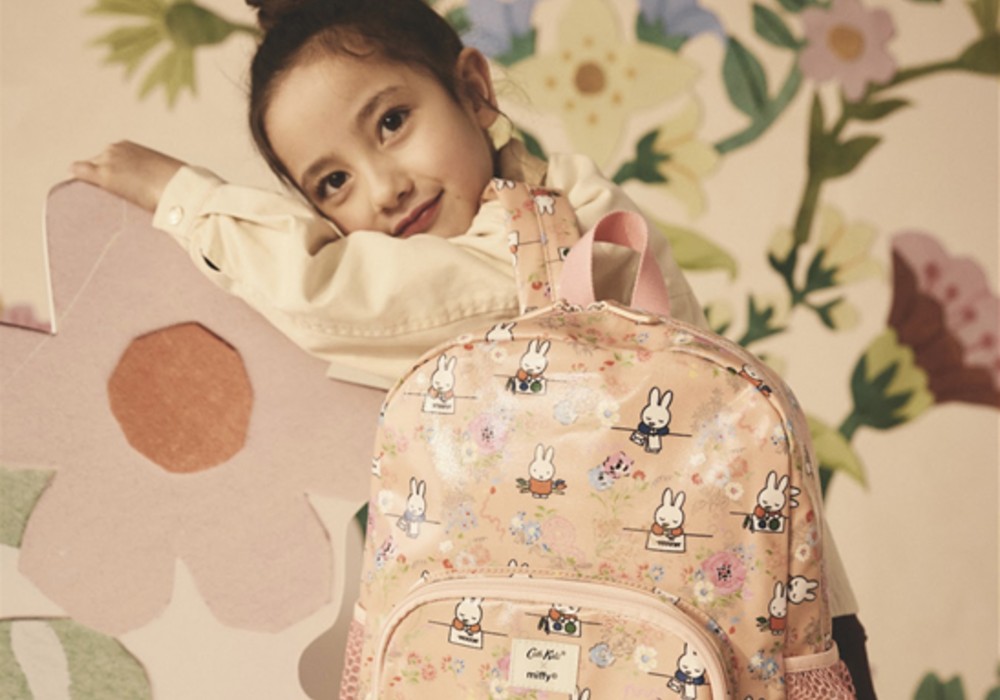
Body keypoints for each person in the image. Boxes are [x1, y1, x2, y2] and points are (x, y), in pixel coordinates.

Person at [71, 0, 875, 696]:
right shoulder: (481, 256)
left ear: (474, 89)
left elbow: (329, 290)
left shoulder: (564, 237)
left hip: (743, 633)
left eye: (391, 122)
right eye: (332, 184)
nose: (384, 187)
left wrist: (186, 199)